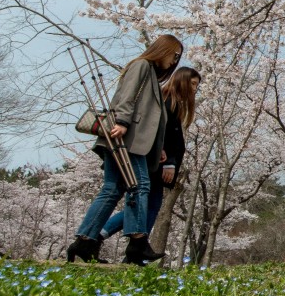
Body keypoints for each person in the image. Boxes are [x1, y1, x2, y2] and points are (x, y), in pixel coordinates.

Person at [67, 35, 182, 265]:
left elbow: (152, 117)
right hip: (126, 139)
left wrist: (158, 147)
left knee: (112, 189)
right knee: (139, 186)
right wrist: (123, 122)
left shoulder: (151, 75)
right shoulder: (141, 66)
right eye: (174, 54)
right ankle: (138, 243)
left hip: (132, 140)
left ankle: (84, 241)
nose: (175, 60)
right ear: (162, 50)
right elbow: (127, 97)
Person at [99, 66, 201, 264]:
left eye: (197, 85)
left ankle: (128, 246)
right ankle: (125, 245)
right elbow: (163, 134)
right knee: (147, 205)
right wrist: (169, 162)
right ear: (182, 80)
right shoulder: (168, 101)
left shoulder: (173, 102)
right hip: (156, 162)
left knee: (146, 205)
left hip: (155, 161)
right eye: (193, 83)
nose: (195, 88)